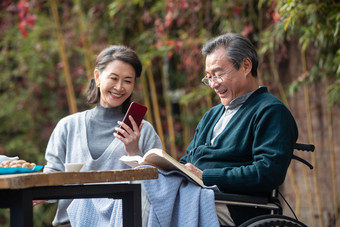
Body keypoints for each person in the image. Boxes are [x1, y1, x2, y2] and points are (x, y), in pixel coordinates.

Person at [179, 33, 298, 225]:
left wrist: (206, 176)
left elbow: (267, 172)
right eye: (208, 77)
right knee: (147, 194)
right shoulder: (211, 116)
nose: (213, 84)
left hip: (237, 205)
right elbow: (189, 160)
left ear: (245, 66)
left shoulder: (271, 111)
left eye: (218, 74)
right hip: (200, 196)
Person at [39, 45, 162, 226]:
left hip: (122, 221)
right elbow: (53, 174)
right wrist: (39, 193)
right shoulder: (68, 126)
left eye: (128, 81)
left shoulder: (144, 130)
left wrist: (133, 152)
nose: (119, 87)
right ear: (97, 77)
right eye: (114, 78)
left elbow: (158, 187)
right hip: (71, 223)